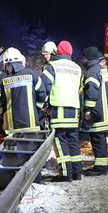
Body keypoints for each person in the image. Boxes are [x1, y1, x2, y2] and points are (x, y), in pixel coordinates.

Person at [42, 41, 82, 181]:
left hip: (58, 109)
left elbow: (44, 87)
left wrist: (43, 105)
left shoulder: (52, 66)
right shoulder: (77, 68)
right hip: (74, 110)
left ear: (57, 52)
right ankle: (77, 172)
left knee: (60, 141)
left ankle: (66, 174)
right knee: (73, 141)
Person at [0, 47, 46, 134]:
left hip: (11, 128)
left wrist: (4, 114)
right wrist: (36, 111)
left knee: (13, 147)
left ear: (5, 63)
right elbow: (42, 95)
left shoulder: (1, 78)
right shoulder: (32, 74)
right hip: (32, 125)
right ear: (21, 60)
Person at [80, 47, 108, 176]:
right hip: (105, 112)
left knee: (98, 142)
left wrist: (89, 111)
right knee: (101, 142)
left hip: (97, 114)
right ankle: (101, 166)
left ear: (87, 58)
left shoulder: (92, 72)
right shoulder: (102, 70)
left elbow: (92, 92)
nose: (82, 60)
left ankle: (100, 169)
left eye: (83, 57)